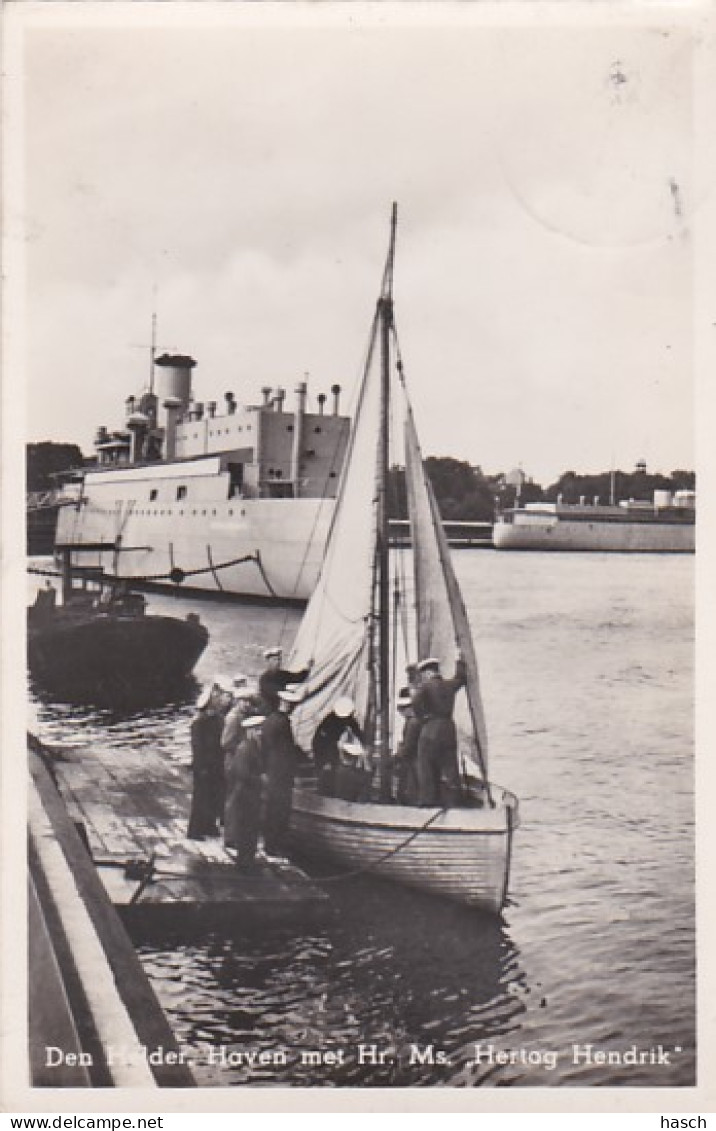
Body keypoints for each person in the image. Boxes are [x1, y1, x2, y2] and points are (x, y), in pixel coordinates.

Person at [412, 654, 467, 807]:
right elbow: (461, 678)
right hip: (449, 729)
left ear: (428, 673)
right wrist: (460, 660)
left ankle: (427, 801)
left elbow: (415, 702)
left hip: (430, 730)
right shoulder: (450, 685)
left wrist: (423, 718)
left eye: (422, 674)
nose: (422, 677)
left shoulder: (425, 687)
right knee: (450, 766)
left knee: (426, 767)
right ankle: (453, 802)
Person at [260, 687, 302, 859]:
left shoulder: (271, 720)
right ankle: (274, 846)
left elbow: (267, 747)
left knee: (273, 808)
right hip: (281, 773)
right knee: (280, 809)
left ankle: (271, 844)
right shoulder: (282, 722)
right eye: (291, 704)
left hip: (273, 770)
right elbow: (286, 749)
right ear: (285, 703)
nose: (293, 707)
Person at [224, 714, 265, 869]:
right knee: (246, 828)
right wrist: (260, 779)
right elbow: (242, 773)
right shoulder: (245, 748)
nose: (260, 732)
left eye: (260, 729)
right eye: (257, 729)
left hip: (251, 794)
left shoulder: (253, 746)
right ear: (250, 731)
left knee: (251, 828)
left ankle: (248, 859)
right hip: (245, 795)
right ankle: (244, 862)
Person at [187, 684, 226, 839]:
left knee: (213, 796)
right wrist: (200, 767)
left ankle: (209, 825)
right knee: (200, 798)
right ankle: (195, 830)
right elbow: (197, 748)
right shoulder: (199, 723)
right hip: (203, 766)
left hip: (215, 764)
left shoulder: (217, 720)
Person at [312, 696, 365, 796]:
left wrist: (363, 745)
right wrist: (326, 761)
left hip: (337, 754)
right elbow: (320, 744)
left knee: (339, 778)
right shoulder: (328, 722)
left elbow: (357, 732)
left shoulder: (349, 720)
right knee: (327, 779)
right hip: (325, 755)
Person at [221, 675, 261, 762]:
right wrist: (243, 746)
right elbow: (226, 743)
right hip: (235, 759)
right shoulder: (233, 717)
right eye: (244, 701)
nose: (248, 704)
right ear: (237, 701)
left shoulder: (246, 713)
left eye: (249, 701)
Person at [258, 646, 311, 713]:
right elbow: (277, 692)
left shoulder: (282, 674)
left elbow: (297, 678)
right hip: (269, 711)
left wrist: (308, 668)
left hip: (282, 708)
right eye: (274, 660)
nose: (277, 662)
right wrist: (292, 693)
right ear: (268, 662)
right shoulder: (264, 679)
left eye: (279, 659)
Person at [394, 688, 421, 805]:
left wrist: (394, 758)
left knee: (410, 789)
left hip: (413, 762)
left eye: (401, 710)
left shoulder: (413, 722)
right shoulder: (414, 720)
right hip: (415, 761)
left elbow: (408, 747)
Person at [332, 733, 373, 802]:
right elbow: (368, 777)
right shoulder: (353, 774)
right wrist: (364, 758)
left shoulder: (334, 770)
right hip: (349, 807)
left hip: (337, 805)